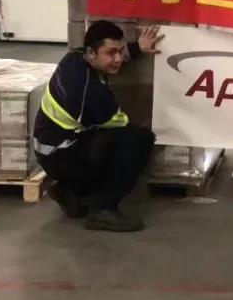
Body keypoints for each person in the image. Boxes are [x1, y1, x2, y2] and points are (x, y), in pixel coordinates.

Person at [33, 20, 163, 232]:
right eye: (111, 53)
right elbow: (123, 127)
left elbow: (110, 58)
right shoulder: (93, 96)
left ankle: (71, 192)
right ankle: (103, 210)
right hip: (60, 156)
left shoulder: (74, 57)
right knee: (139, 140)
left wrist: (136, 47)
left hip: (51, 147)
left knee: (106, 139)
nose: (118, 58)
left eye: (121, 51)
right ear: (92, 53)